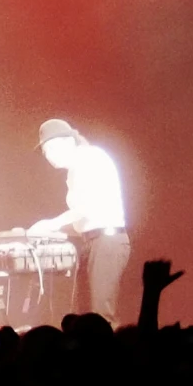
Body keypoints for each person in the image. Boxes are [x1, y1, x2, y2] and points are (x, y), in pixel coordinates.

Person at [28, 118, 130, 322]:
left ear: (68, 141)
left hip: (107, 242)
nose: (48, 156)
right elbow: (86, 219)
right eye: (45, 152)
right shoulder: (76, 169)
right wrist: (56, 232)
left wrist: (51, 224)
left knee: (101, 314)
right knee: (83, 314)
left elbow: (87, 207)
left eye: (50, 148)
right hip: (94, 241)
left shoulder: (89, 159)